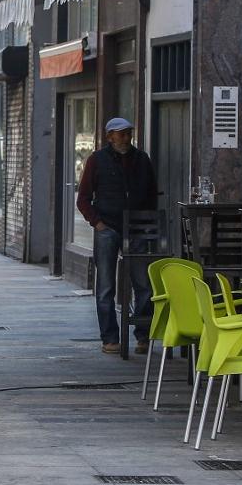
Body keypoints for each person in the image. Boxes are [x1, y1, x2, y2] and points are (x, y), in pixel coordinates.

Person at [76, 117, 158, 355]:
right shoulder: (96, 160)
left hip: (137, 228)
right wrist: (97, 223)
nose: (126, 138)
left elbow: (152, 194)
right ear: (109, 136)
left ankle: (142, 335)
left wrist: (147, 223)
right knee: (105, 286)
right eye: (121, 134)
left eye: (128, 133)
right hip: (108, 227)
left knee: (144, 284)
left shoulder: (141, 160)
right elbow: (83, 198)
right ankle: (110, 338)